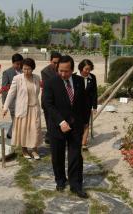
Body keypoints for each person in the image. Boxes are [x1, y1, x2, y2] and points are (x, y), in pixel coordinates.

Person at [43, 55, 88, 198]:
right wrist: (61, 122)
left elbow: (82, 103)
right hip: (57, 126)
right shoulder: (50, 83)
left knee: (75, 155)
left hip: (75, 126)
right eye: (60, 71)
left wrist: (84, 122)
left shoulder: (80, 81)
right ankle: (60, 180)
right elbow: (47, 104)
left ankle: (76, 185)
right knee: (58, 154)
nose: (63, 74)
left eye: (66, 71)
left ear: (72, 69)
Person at [3, 58, 42, 160]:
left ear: (32, 69)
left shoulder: (37, 78)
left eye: (28, 69)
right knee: (23, 130)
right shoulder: (17, 78)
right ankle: (24, 150)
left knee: (35, 130)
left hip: (34, 108)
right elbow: (11, 93)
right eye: (24, 69)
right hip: (22, 108)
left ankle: (34, 150)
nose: (26, 71)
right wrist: (5, 107)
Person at [41, 51, 61, 144]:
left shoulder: (62, 69)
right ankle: (50, 137)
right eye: (54, 62)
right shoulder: (45, 71)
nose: (56, 65)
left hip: (59, 100)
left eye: (58, 62)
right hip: (48, 100)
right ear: (50, 61)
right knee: (49, 120)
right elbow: (49, 86)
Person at [2, 53, 23, 139]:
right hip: (12, 101)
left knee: (18, 119)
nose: (19, 66)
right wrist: (4, 103)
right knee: (16, 118)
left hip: (22, 100)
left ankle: (11, 133)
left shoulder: (23, 71)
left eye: (20, 64)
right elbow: (4, 88)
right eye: (17, 64)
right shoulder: (7, 72)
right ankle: (11, 134)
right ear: (13, 63)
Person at [77, 59, 97, 150]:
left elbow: (94, 93)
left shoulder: (92, 77)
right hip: (76, 105)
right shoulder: (74, 77)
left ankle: (84, 143)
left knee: (86, 124)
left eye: (89, 69)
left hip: (87, 105)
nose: (88, 71)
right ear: (81, 68)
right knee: (77, 124)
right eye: (86, 69)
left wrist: (95, 106)